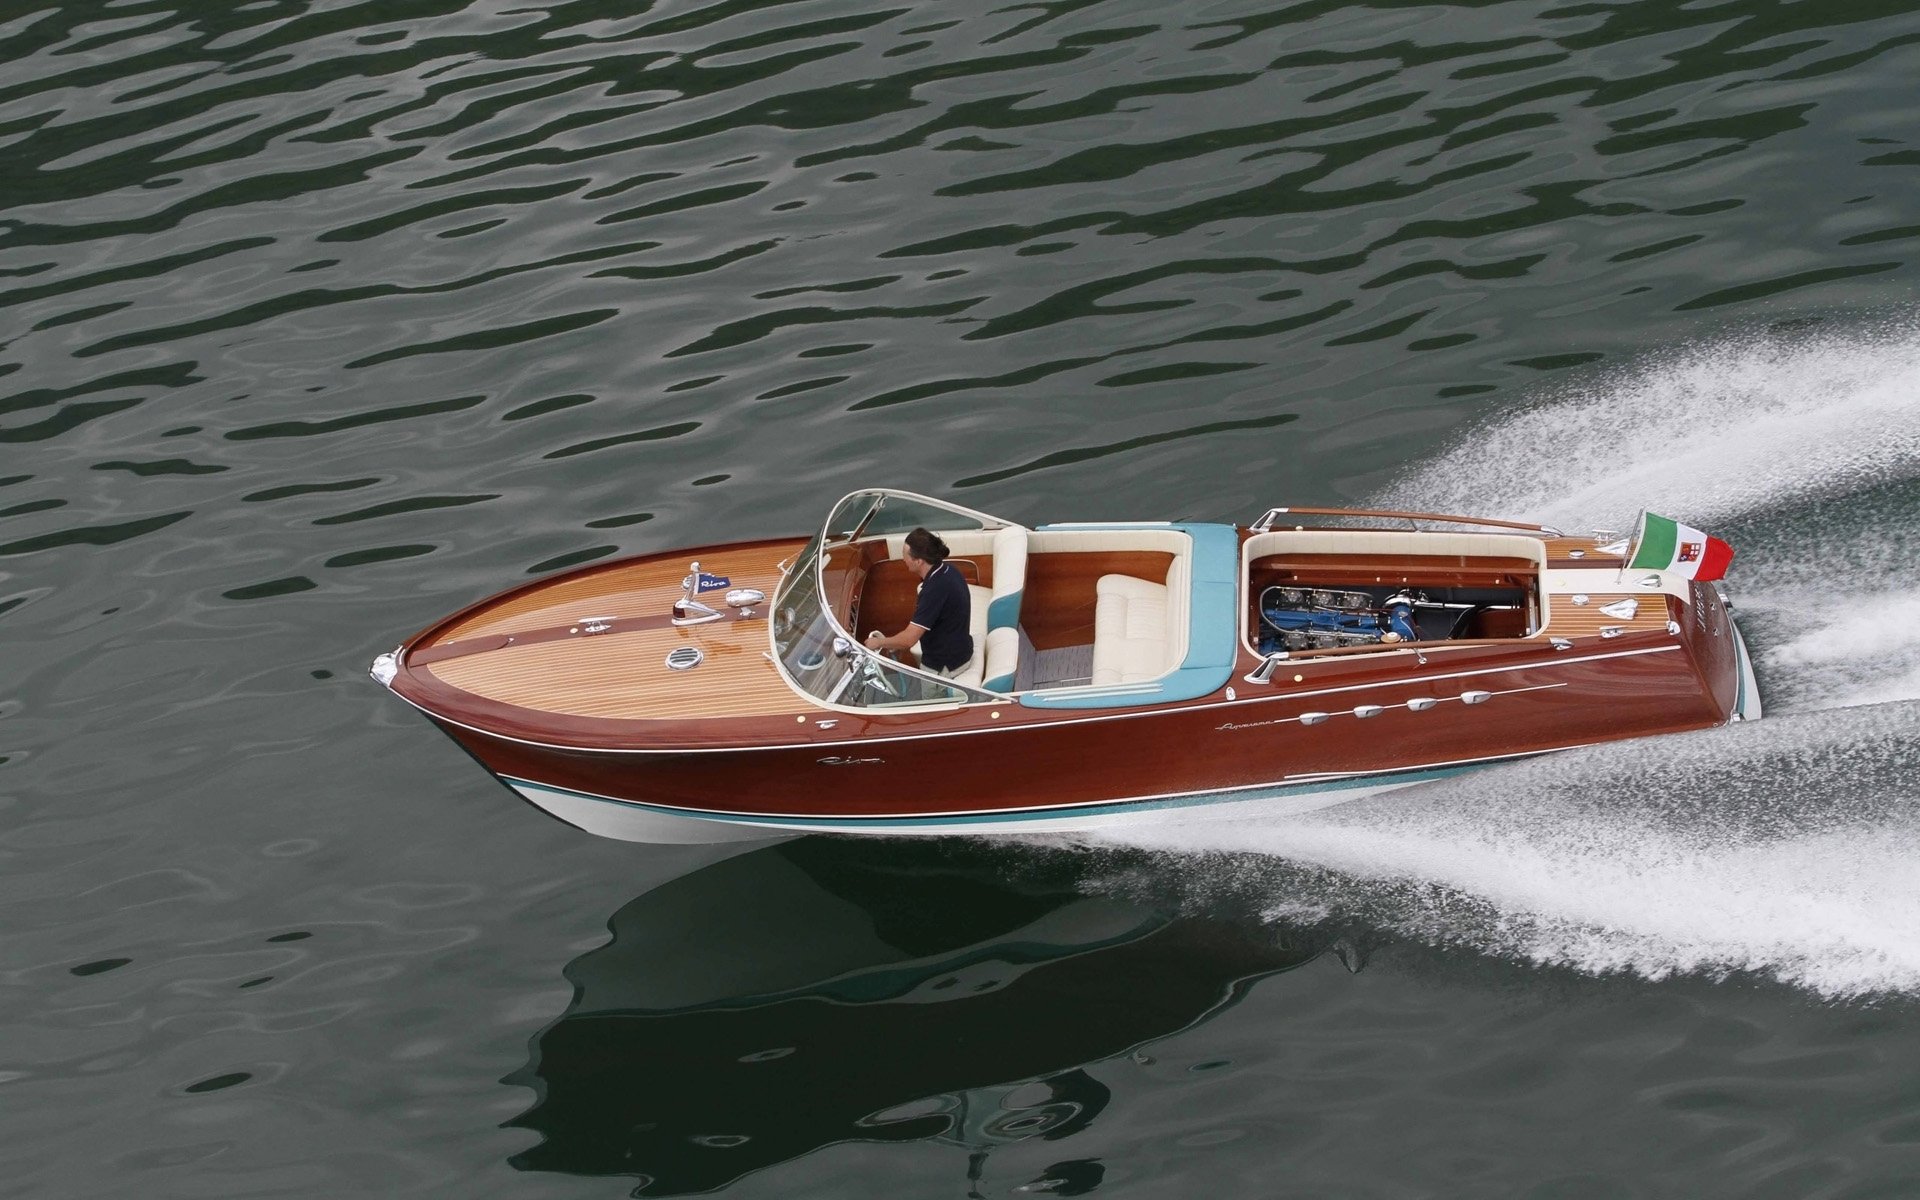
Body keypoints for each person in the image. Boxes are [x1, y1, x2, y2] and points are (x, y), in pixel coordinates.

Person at [865, 527, 972, 676]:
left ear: (919, 561)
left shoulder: (934, 590)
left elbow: (908, 640)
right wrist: (893, 642)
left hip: (944, 665)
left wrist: (878, 643)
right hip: (961, 650)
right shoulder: (948, 570)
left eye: (905, 556)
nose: (903, 559)